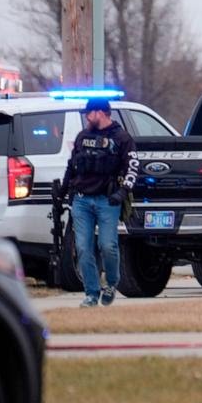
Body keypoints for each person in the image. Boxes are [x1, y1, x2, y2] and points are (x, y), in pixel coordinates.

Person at [61, 98, 139, 307]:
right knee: (84, 248)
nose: (87, 116)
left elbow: (132, 168)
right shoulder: (82, 136)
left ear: (102, 112)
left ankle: (111, 284)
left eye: (90, 113)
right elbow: (72, 165)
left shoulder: (122, 138)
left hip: (107, 200)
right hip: (81, 201)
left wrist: (122, 193)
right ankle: (91, 294)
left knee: (108, 246)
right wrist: (63, 190)